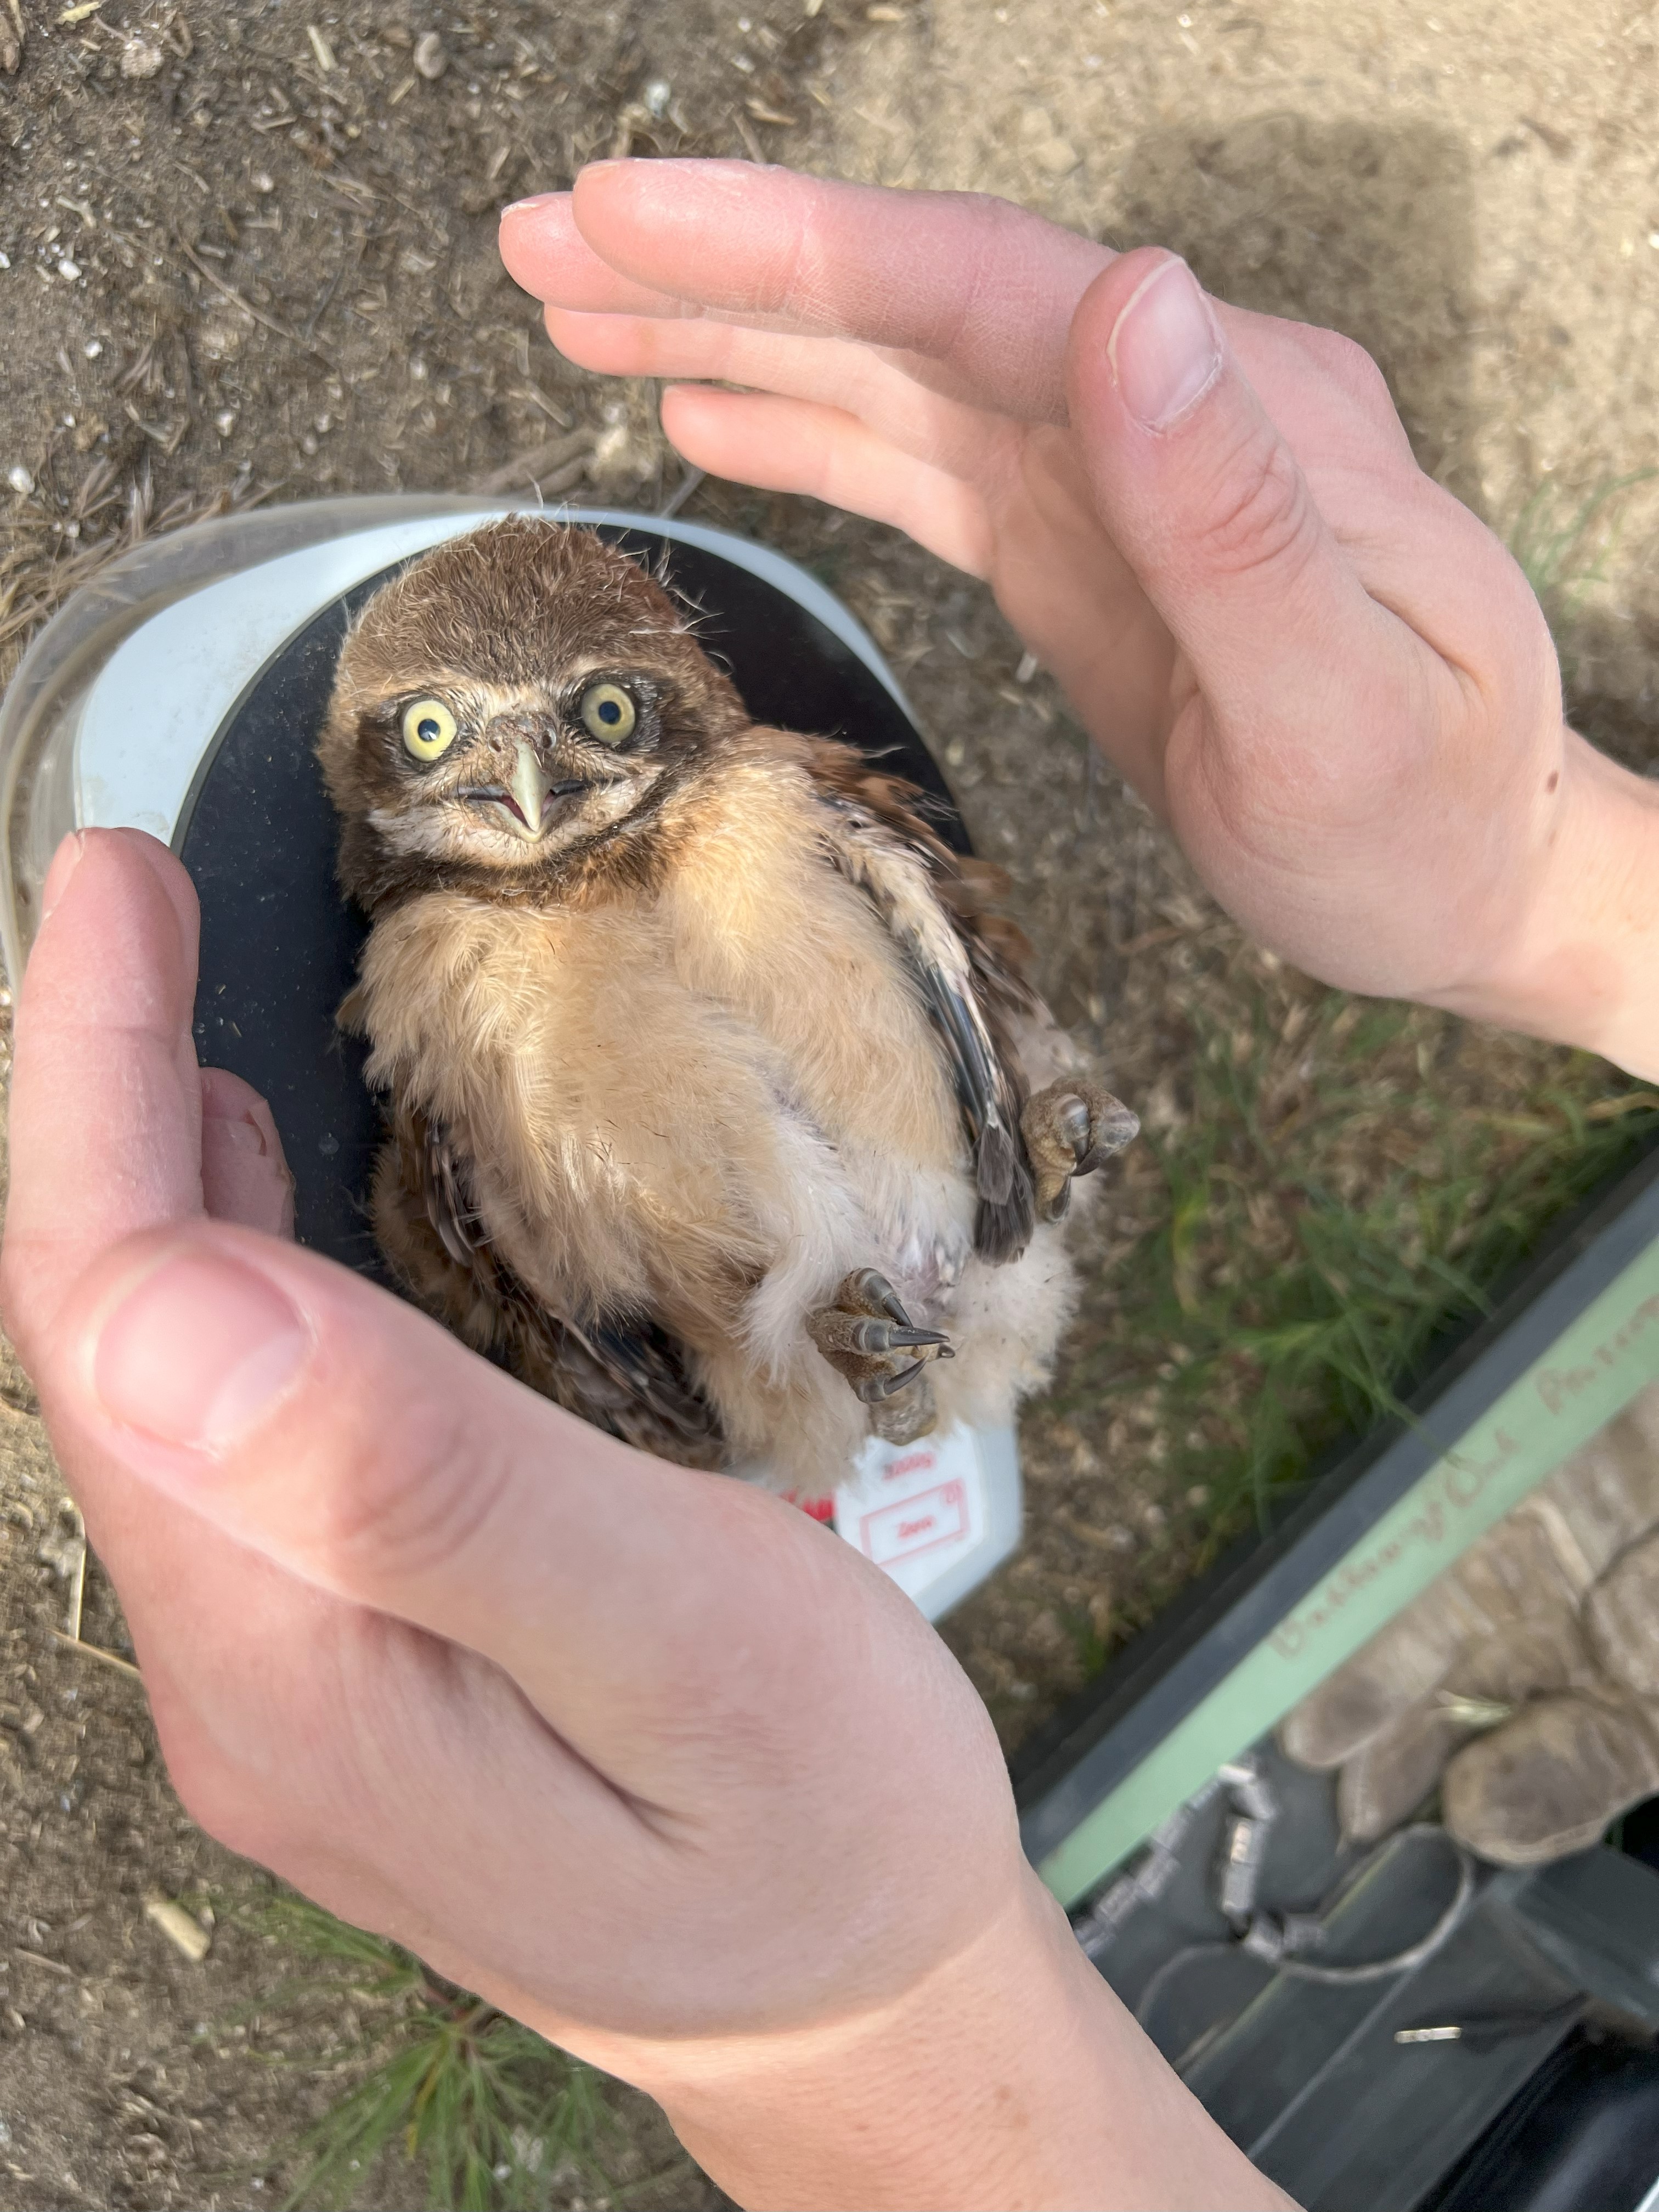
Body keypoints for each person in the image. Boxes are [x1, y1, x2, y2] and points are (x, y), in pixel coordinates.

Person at [4, 162, 1655, 2212]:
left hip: (857, 1315)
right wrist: (1545, 887)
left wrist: (859, 2045)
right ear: (371, 756)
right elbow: (551, 1278)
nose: (519, 788)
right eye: (436, 737)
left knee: (781, 906)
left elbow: (919, 1031)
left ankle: (892, 1318)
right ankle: (877, 1329)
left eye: (598, 720)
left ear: (674, 706)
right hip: (799, 1339)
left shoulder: (767, 809)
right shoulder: (440, 957)